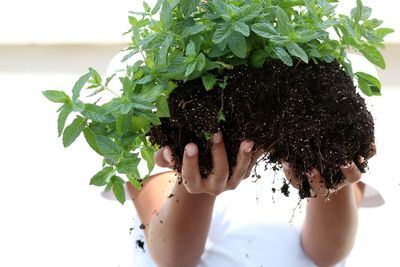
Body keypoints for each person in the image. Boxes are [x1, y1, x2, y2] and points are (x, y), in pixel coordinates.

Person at [102, 52, 385, 267]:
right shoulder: (151, 67)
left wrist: (328, 177)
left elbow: (327, 253)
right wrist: (198, 183)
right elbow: (173, 257)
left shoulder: (338, 66)